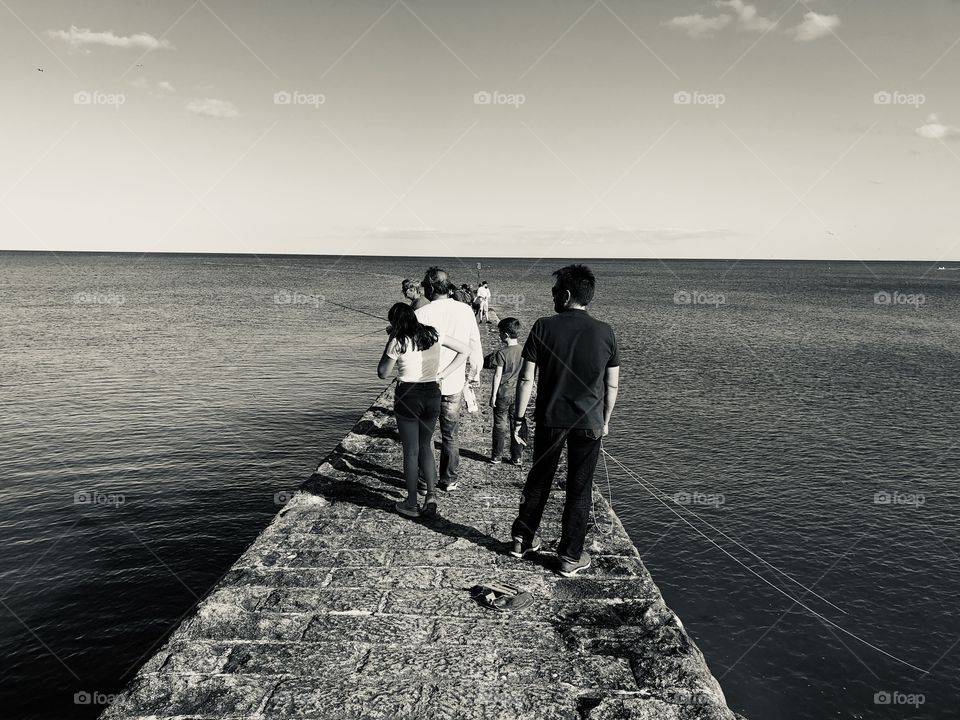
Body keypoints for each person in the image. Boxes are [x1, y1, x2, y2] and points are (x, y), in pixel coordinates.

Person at [509, 264, 620, 577]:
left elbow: (526, 379)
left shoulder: (543, 326)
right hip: (589, 422)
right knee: (579, 488)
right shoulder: (605, 332)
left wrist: (518, 417)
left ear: (567, 295)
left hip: (550, 419)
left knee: (539, 479)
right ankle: (570, 557)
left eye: (555, 291)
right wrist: (605, 420)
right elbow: (612, 385)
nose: (553, 296)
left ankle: (522, 540)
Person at [378, 302, 469, 519]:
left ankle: (411, 503)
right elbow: (465, 350)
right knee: (426, 446)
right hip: (432, 393)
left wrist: (391, 340)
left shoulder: (398, 341)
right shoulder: (433, 334)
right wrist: (443, 374)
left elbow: (383, 373)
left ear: (395, 323)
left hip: (408, 395)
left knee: (411, 451)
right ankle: (431, 496)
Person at [416, 267, 483, 491]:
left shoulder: (421, 314)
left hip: (426, 383)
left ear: (431, 287)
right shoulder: (465, 310)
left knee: (425, 436)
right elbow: (474, 345)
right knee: (450, 434)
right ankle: (449, 479)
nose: (423, 288)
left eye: (424, 284)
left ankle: (425, 481)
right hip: (453, 382)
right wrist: (473, 375)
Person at [489, 316, 523, 466]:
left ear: (506, 335)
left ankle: (497, 456)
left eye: (500, 333)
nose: (499, 335)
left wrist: (493, 396)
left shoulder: (501, 353)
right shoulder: (524, 351)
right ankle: (517, 456)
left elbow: (497, 375)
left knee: (499, 424)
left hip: (503, 393)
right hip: (519, 393)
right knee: (517, 424)